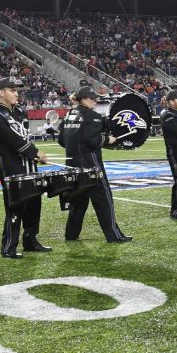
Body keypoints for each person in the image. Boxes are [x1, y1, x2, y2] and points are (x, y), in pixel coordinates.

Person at [0, 77, 51, 258]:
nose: (17, 93)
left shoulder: (21, 112)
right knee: (15, 206)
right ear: (1, 93)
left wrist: (34, 156)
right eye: (12, 90)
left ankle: (31, 240)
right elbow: (12, 139)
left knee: (34, 203)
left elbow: (25, 138)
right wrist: (36, 152)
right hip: (11, 165)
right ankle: (9, 247)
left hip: (29, 165)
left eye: (17, 90)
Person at [61, 86, 131, 242]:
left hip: (71, 164)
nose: (96, 101)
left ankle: (71, 234)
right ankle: (114, 235)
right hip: (91, 164)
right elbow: (92, 139)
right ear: (85, 99)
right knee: (104, 199)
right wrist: (107, 139)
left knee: (78, 202)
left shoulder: (69, 114)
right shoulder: (93, 116)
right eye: (93, 99)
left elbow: (61, 140)